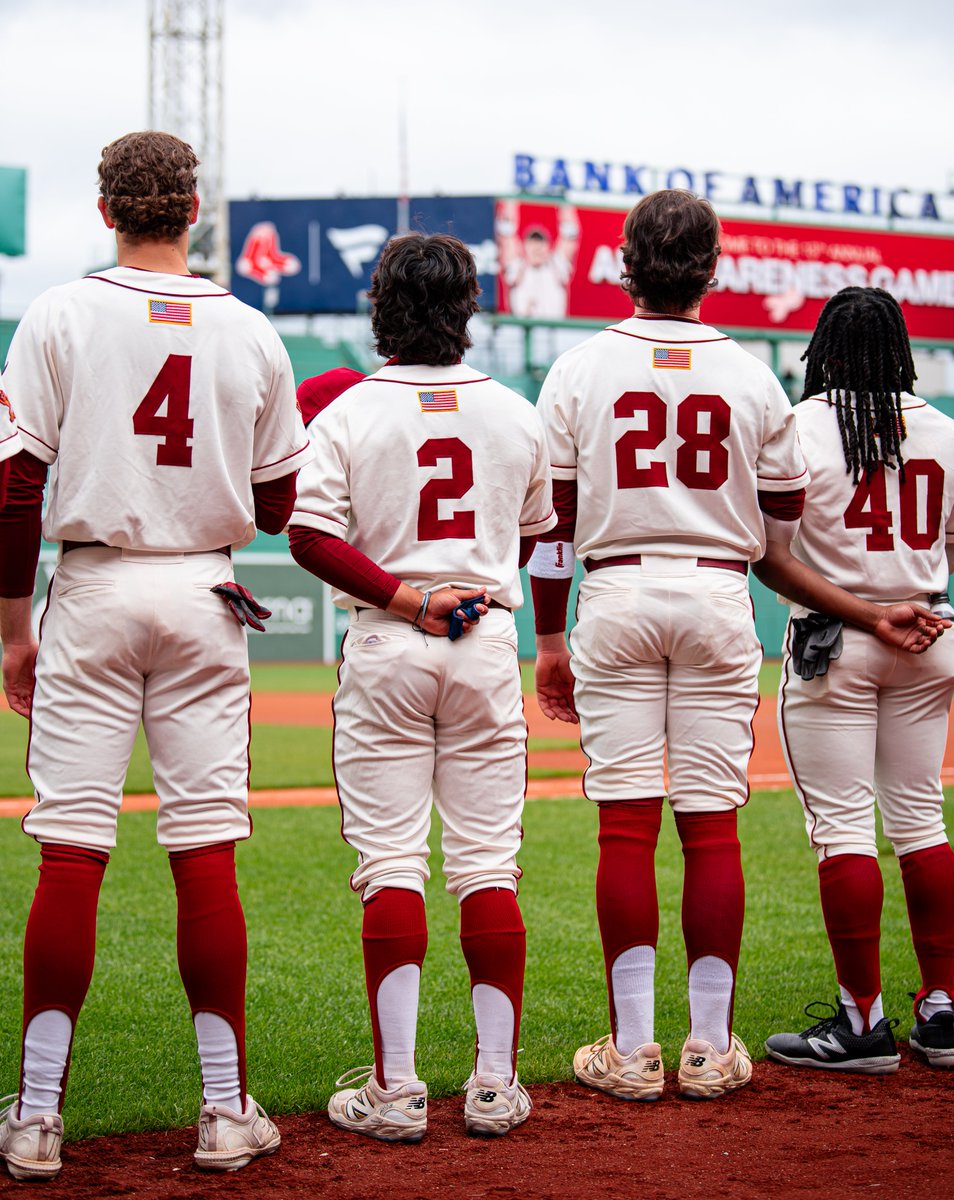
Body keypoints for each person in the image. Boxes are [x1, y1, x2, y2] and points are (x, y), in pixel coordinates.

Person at [528, 190, 944, 1103]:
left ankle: (632, 1048)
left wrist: (548, 636)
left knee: (626, 824)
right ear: (712, 269)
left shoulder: (578, 368)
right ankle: (711, 1048)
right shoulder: (753, 375)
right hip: (719, 590)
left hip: (616, 588)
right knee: (711, 824)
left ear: (625, 265)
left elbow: (553, 528)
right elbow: (782, 527)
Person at [0, 130, 312, 1181]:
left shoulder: (58, 312)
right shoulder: (252, 328)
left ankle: (36, 1117)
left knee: (71, 849)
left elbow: (15, 488)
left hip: (92, 584)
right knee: (205, 848)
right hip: (203, 589)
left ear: (105, 211)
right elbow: (279, 504)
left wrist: (13, 631)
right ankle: (224, 1112)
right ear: (194, 209)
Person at [288, 232, 555, 1142]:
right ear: (469, 306)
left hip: (390, 638)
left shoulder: (350, 411)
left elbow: (309, 537)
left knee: (393, 864)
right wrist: (466, 581)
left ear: (381, 306)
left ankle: (397, 1091)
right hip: (483, 637)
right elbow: (529, 534)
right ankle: (494, 1085)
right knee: (487, 865)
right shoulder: (516, 412)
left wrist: (409, 596)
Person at [765, 287, 954, 1073]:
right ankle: (942, 1011)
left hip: (836, 641)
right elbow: (951, 544)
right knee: (921, 821)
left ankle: (862, 1023)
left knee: (844, 830)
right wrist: (907, 599)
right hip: (929, 632)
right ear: (900, 350)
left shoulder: (798, 428)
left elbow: (771, 557)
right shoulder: (946, 429)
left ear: (825, 351)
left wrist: (872, 612)